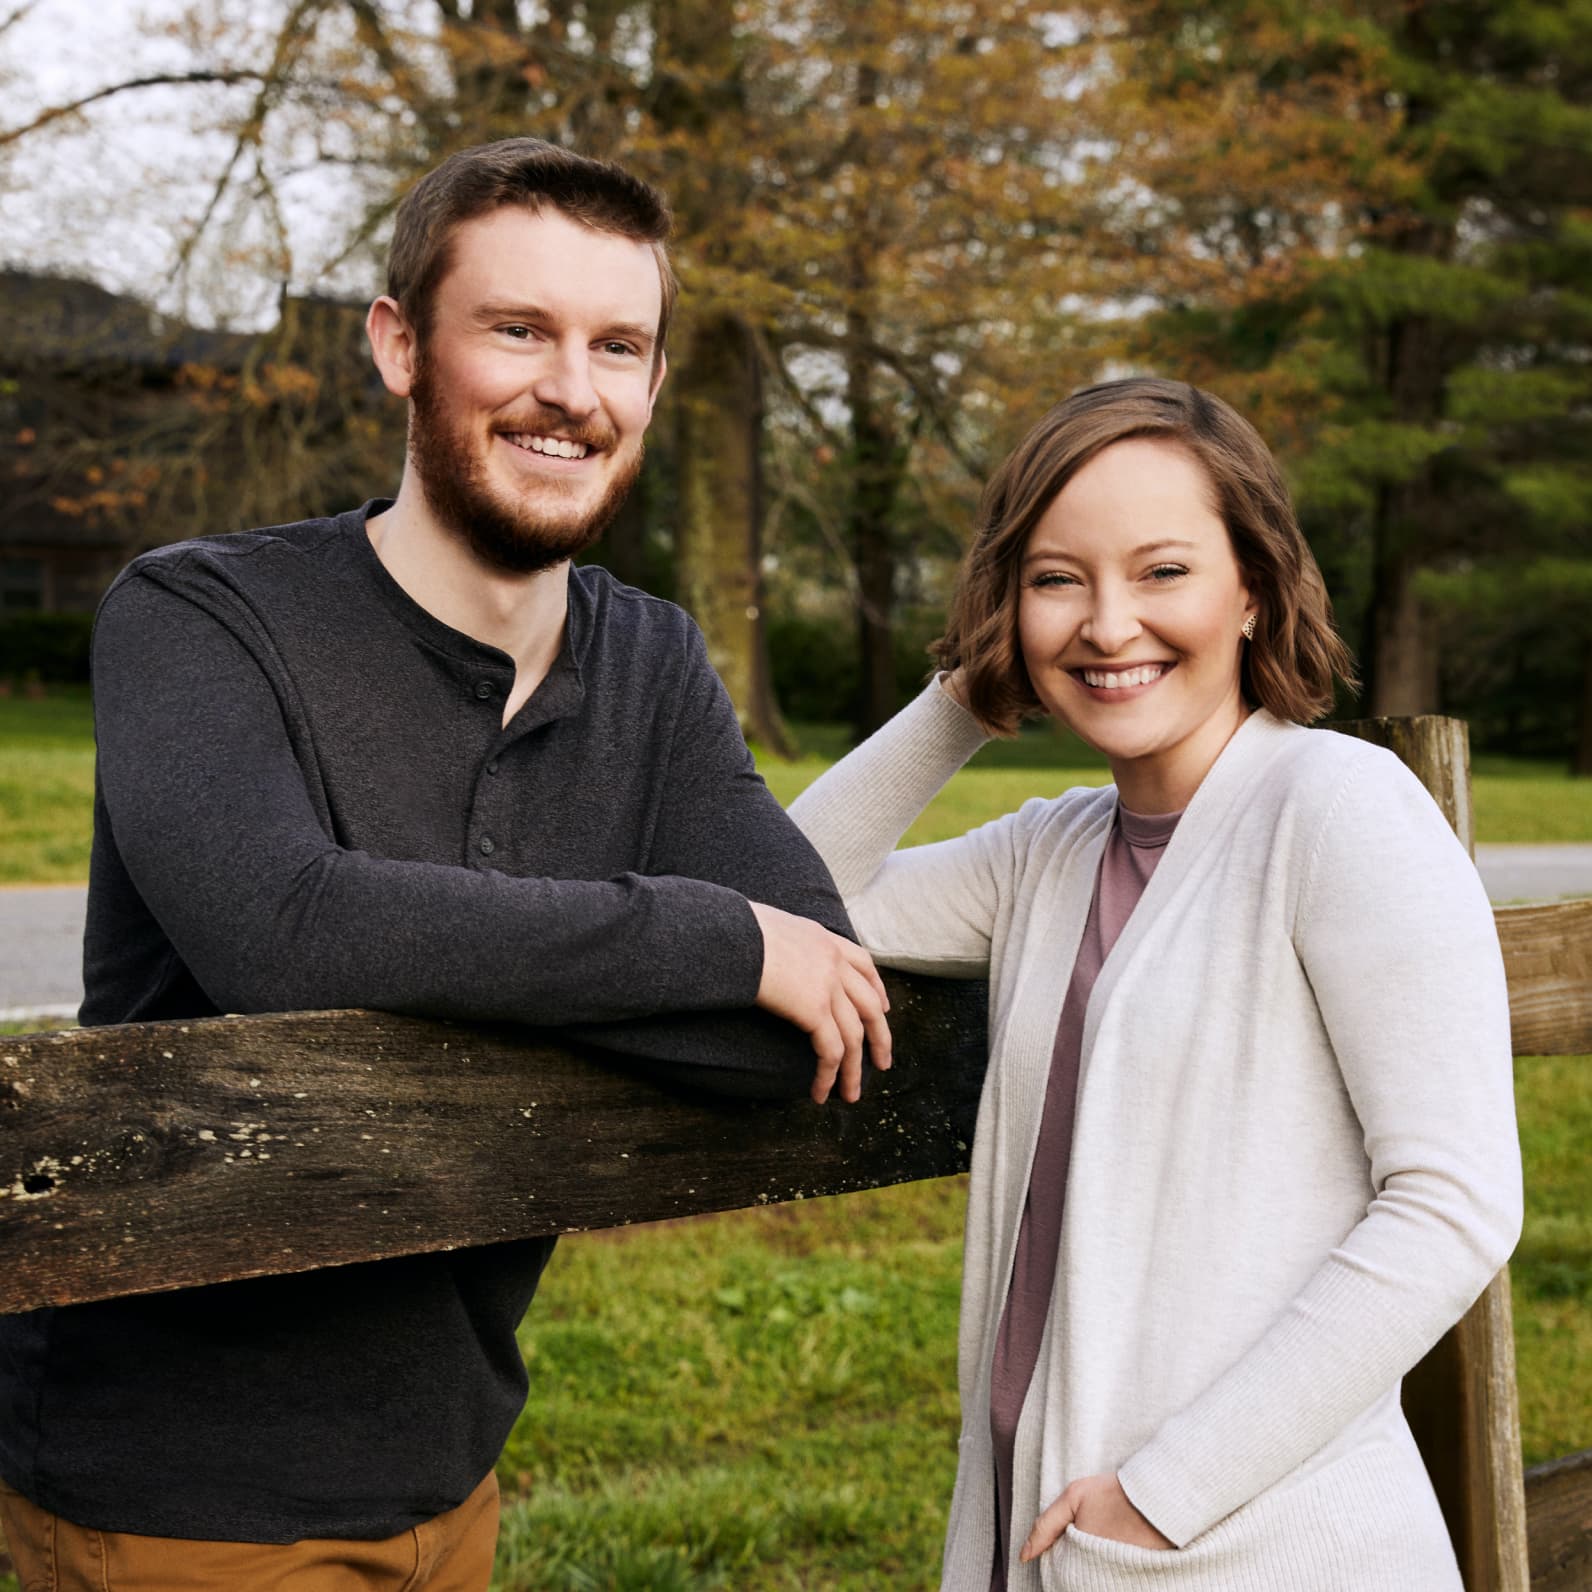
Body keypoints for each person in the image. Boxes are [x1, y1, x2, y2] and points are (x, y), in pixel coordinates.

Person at [0, 138, 891, 1589]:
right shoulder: (197, 622)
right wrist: (719, 944)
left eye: (618, 345)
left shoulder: (652, 660)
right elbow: (286, 935)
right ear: (401, 345)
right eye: (518, 329)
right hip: (178, 1486)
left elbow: (805, 1029)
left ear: (655, 388)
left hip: (455, 1462)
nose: (573, 388)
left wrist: (739, 960)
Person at [788, 377, 1522, 1592]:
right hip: (1050, 1537)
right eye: (1055, 579)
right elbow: (787, 893)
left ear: (1253, 586)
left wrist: (1162, 1493)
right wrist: (966, 696)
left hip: (1254, 1547)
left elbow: (1451, 1203)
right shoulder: (1046, 850)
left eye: (1162, 570)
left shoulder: (1337, 810)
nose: (1106, 622)